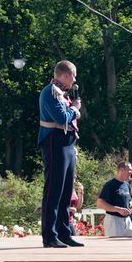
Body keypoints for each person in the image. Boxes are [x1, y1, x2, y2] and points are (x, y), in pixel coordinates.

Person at [39, 60, 83, 248]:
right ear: (65, 75)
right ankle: (50, 236)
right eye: (73, 76)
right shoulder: (50, 92)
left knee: (66, 191)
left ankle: (64, 233)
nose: (74, 81)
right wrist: (74, 108)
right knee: (54, 190)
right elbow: (61, 117)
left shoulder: (62, 93)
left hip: (67, 142)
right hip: (55, 141)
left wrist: (72, 108)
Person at [96, 161, 132, 237]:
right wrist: (118, 209)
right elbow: (100, 203)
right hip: (113, 220)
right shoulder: (110, 185)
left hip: (127, 220)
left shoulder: (127, 185)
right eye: (130, 170)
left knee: (130, 243)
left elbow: (126, 204)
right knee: (114, 244)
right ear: (121, 170)